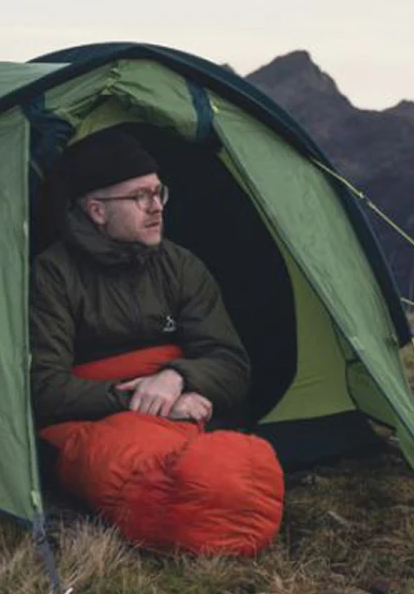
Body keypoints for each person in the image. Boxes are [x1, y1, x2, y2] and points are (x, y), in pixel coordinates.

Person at [29, 127, 251, 430]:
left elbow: (231, 366)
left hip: (182, 415)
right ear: (97, 212)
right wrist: (150, 403)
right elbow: (45, 388)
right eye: (140, 196)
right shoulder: (53, 275)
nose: (156, 207)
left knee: (246, 456)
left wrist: (176, 378)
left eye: (158, 193)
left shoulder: (180, 266)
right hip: (98, 425)